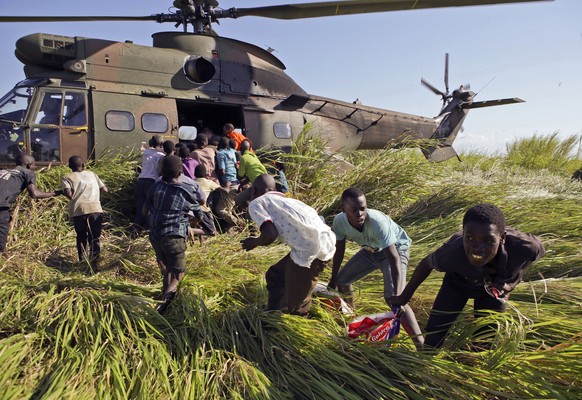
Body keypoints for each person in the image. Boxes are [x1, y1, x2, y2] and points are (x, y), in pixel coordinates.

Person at [390, 203, 546, 349]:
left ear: (502, 238)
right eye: (470, 238)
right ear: (463, 233)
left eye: (488, 241)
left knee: (483, 342)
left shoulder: (523, 246)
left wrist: (513, 282)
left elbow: (535, 254)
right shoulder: (452, 252)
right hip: (456, 285)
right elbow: (426, 264)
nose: (477, 248)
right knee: (433, 338)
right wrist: (404, 297)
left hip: (492, 290)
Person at [328, 187, 423, 348]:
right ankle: (353, 318)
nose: (359, 214)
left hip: (396, 250)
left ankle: (421, 345)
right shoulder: (339, 222)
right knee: (342, 281)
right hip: (370, 250)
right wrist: (333, 277)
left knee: (393, 298)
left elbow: (394, 259)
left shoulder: (377, 223)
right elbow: (339, 250)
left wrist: (399, 296)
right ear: (344, 209)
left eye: (363, 208)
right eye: (354, 210)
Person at [241, 174, 336, 316]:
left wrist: (253, 242)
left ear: (254, 190)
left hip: (309, 251)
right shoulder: (289, 201)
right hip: (325, 243)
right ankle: (272, 313)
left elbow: (270, 235)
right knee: (276, 276)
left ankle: (293, 325)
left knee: (298, 303)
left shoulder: (257, 202)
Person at [142, 155, 202, 313]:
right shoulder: (187, 191)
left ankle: (164, 295)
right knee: (178, 273)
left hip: (155, 236)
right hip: (174, 236)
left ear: (162, 172)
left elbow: (144, 211)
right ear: (180, 172)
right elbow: (199, 215)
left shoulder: (155, 187)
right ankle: (163, 305)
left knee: (168, 267)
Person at [0, 154, 62, 255]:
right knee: (2, 229)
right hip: (1, 206)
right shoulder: (27, 172)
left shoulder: (2, 171)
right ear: (29, 165)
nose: (35, 168)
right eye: (34, 166)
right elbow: (34, 194)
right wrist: (56, 193)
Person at [62, 155, 108, 269]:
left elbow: (69, 194)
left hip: (79, 210)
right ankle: (94, 262)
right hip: (95, 209)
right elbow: (105, 190)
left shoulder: (67, 177)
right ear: (83, 165)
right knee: (94, 237)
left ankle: (83, 261)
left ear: (69, 166)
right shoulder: (92, 174)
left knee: (81, 237)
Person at [132, 135, 164, 231]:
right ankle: (147, 230)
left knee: (140, 208)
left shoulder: (145, 153)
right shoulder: (161, 156)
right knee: (150, 208)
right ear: (161, 144)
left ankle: (135, 229)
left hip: (141, 181)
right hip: (152, 182)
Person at [235, 139, 267, 210]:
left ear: (240, 149)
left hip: (258, 184)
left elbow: (240, 174)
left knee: (238, 199)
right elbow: (252, 173)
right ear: (250, 148)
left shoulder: (243, 158)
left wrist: (237, 168)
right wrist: (242, 184)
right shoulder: (254, 156)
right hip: (266, 180)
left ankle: (249, 215)